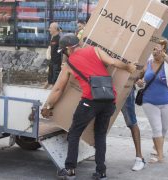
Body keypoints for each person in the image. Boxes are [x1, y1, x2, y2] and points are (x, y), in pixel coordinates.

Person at [41, 34, 136, 179]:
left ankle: (70, 169)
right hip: (110, 100)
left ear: (68, 49)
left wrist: (48, 106)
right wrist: (128, 67)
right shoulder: (95, 50)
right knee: (100, 135)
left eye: (64, 51)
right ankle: (101, 171)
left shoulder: (69, 65)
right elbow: (113, 62)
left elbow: (58, 89)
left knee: (74, 133)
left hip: (90, 102)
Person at [136, 38, 168, 163]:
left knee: (164, 128)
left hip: (167, 100)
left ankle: (156, 147)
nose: (154, 51)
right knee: (157, 128)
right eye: (153, 48)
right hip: (149, 100)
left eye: (157, 48)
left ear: (163, 49)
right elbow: (138, 76)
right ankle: (160, 155)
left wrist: (163, 54)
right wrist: (139, 81)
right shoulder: (148, 62)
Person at [121, 87, 145, 171]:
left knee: (131, 122)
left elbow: (140, 73)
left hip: (125, 89)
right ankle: (99, 156)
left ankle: (139, 157)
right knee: (101, 122)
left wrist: (137, 79)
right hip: (106, 86)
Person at [44, 22, 62, 89]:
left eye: (50, 28)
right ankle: (41, 91)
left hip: (57, 64)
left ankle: (49, 97)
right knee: (49, 80)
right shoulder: (53, 38)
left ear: (55, 29)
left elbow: (62, 51)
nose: (49, 29)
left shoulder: (60, 38)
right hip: (52, 62)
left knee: (54, 82)